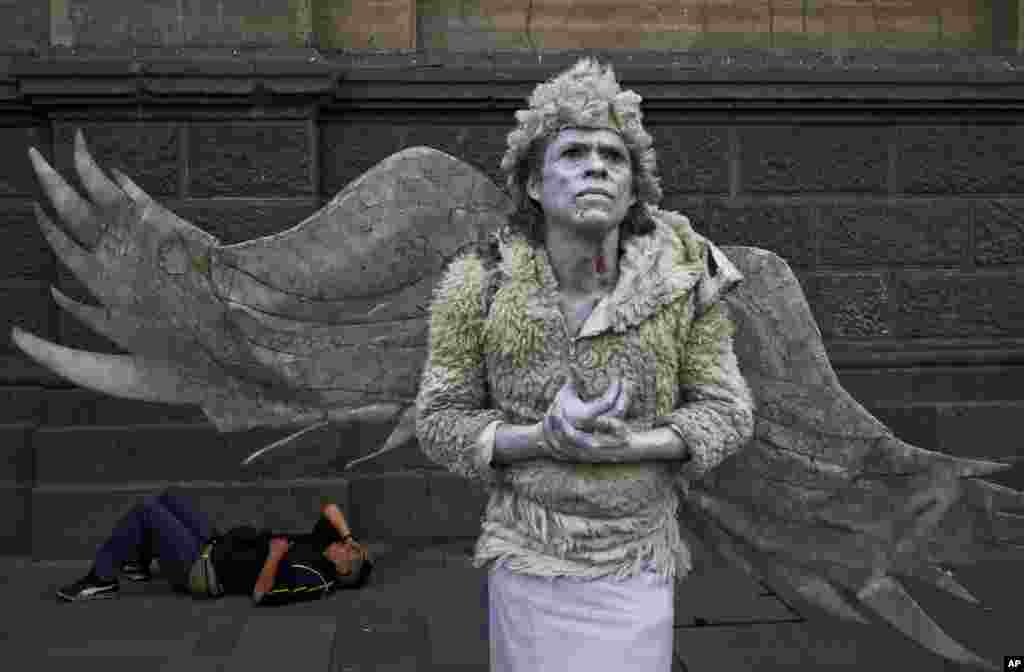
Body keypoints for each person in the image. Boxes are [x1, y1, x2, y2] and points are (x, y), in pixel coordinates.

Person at [416, 58, 754, 671]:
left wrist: (633, 446)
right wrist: (538, 438)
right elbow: (439, 419)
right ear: (536, 186)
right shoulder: (479, 282)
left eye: (613, 155)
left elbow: (728, 412)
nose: (597, 164)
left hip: (637, 560)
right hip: (529, 554)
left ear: (633, 189)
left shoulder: (683, 280)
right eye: (573, 153)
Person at [56, 489, 373, 605]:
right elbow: (331, 508)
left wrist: (275, 556)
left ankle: (101, 580)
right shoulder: (323, 547)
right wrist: (347, 538)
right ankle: (138, 564)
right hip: (215, 544)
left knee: (147, 510)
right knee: (169, 497)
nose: (344, 546)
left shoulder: (314, 578)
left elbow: (261, 595)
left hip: (203, 571)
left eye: (349, 553)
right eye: (348, 546)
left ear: (343, 570)